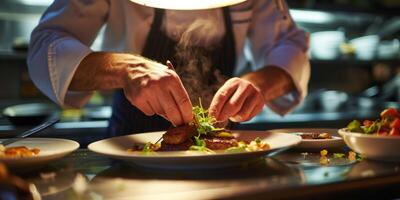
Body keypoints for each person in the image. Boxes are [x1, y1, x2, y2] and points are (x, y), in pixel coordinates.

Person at [27, 0, 310, 137]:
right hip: (131, 150)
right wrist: (128, 68)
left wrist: (257, 84)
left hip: (225, 152)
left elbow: (289, 46)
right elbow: (45, 46)